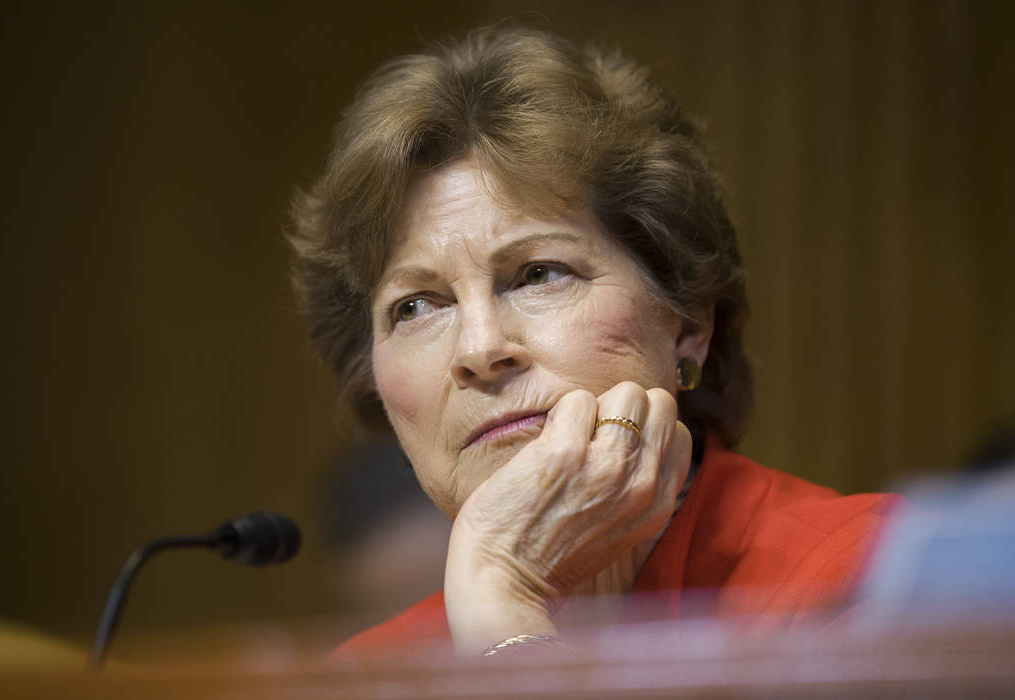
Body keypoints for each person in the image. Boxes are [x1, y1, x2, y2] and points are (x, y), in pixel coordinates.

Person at [290, 25, 897, 659]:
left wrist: (505, 610)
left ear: (688, 321)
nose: (479, 349)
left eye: (538, 274)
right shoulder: (367, 674)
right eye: (415, 306)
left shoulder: (869, 587)